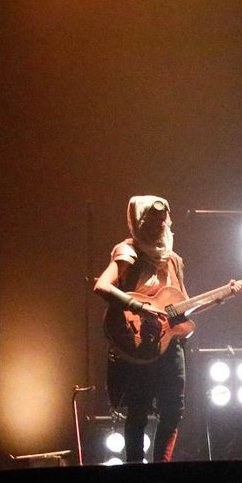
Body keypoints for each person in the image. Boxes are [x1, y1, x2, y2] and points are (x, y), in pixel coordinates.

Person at [94, 195, 188, 463]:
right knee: (139, 408)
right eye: (152, 220)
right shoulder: (128, 250)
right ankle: (135, 468)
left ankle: (162, 466)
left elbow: (181, 301)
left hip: (168, 343)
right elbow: (102, 285)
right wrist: (139, 307)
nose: (159, 225)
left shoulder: (174, 260)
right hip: (137, 344)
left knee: (174, 408)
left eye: (163, 220)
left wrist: (221, 295)